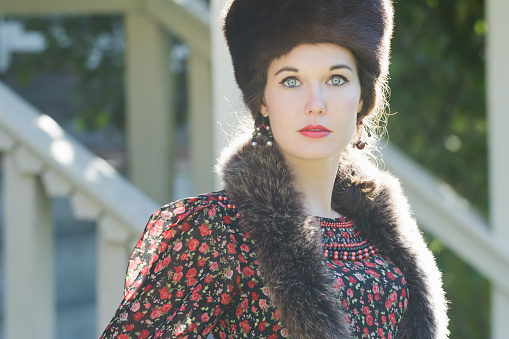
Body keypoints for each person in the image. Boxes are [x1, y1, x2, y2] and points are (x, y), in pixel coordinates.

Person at [100, 0, 449, 338]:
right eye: (291, 81)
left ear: (361, 97)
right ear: (263, 100)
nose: (316, 105)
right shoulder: (215, 228)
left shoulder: (378, 228)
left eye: (337, 79)